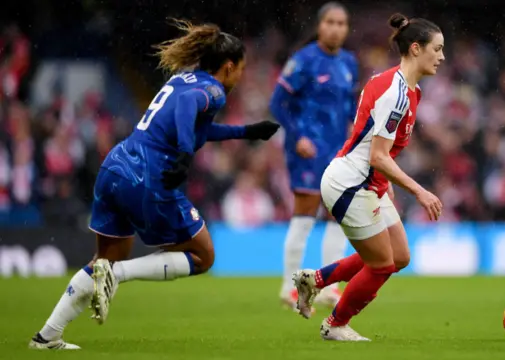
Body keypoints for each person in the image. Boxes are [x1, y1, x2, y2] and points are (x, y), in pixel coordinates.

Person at [29, 20, 280, 350]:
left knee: (103, 260)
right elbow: (191, 111)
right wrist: (185, 155)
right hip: (148, 175)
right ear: (229, 66)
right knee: (203, 256)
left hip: (117, 165)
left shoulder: (181, 79)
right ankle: (117, 277)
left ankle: (46, 336)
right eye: (241, 69)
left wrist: (246, 132)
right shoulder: (214, 90)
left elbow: (195, 126)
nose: (240, 76)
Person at [292, 13, 445, 341]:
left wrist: (384, 181)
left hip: (367, 181)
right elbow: (377, 154)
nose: (442, 57)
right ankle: (335, 325)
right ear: (416, 49)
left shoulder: (402, 88)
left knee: (399, 257)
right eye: (438, 49)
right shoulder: (397, 94)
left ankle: (315, 280)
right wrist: (420, 191)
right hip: (350, 184)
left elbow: (365, 138)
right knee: (381, 265)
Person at [269, 2, 359, 309]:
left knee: (338, 217)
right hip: (307, 150)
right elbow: (278, 103)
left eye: (342, 23)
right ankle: (287, 286)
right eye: (331, 22)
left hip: (338, 152)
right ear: (320, 26)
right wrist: (298, 137)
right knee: (305, 215)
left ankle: (330, 286)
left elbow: (349, 108)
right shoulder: (304, 60)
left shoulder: (349, 62)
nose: (336, 28)